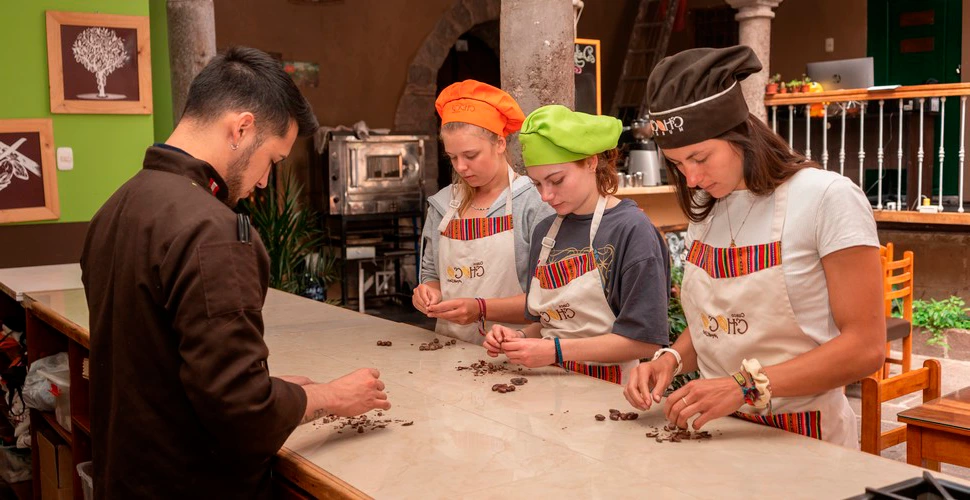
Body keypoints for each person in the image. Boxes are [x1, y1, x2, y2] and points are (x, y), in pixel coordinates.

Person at [81, 47, 390, 499]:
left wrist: (280, 391)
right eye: (273, 160)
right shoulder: (212, 229)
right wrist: (328, 397)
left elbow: (164, 359)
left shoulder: (116, 206)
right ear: (242, 128)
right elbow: (241, 410)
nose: (265, 181)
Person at [623, 45, 885, 448]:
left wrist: (743, 386)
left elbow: (865, 348)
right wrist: (671, 359)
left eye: (700, 157)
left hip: (805, 437)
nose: (690, 178)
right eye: (677, 164)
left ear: (738, 133)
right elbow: (720, 322)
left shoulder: (825, 198)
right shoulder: (707, 210)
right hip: (715, 432)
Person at [484, 105, 670, 385]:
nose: (546, 196)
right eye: (536, 184)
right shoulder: (545, 233)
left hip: (611, 392)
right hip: (547, 386)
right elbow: (548, 325)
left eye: (556, 180)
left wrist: (556, 351)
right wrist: (520, 339)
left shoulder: (632, 231)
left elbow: (645, 341)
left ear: (591, 162)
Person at [412, 80, 553, 343]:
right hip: (448, 349)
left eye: (471, 155)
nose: (461, 167)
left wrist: (480, 309)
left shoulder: (533, 203)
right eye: (452, 158)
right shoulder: (442, 205)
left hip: (515, 351)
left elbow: (548, 298)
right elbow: (432, 275)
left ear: (500, 144)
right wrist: (427, 293)